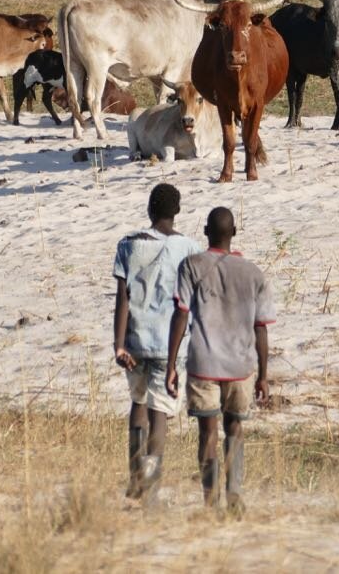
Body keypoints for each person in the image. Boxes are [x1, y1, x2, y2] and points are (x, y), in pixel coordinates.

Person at [167, 207, 275, 514]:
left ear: (205, 231)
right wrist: (264, 375)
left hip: (204, 363)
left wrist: (171, 364)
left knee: (208, 432)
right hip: (241, 365)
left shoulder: (191, 266)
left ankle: (210, 500)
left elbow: (181, 314)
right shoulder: (253, 273)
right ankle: (235, 494)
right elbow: (261, 327)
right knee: (236, 429)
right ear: (235, 233)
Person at [112, 183, 203, 501]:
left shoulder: (128, 244)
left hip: (134, 339)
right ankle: (152, 478)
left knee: (137, 404)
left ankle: (135, 476)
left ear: (150, 210)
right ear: (176, 212)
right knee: (159, 411)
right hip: (170, 343)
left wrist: (118, 344)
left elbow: (122, 298)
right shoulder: (190, 248)